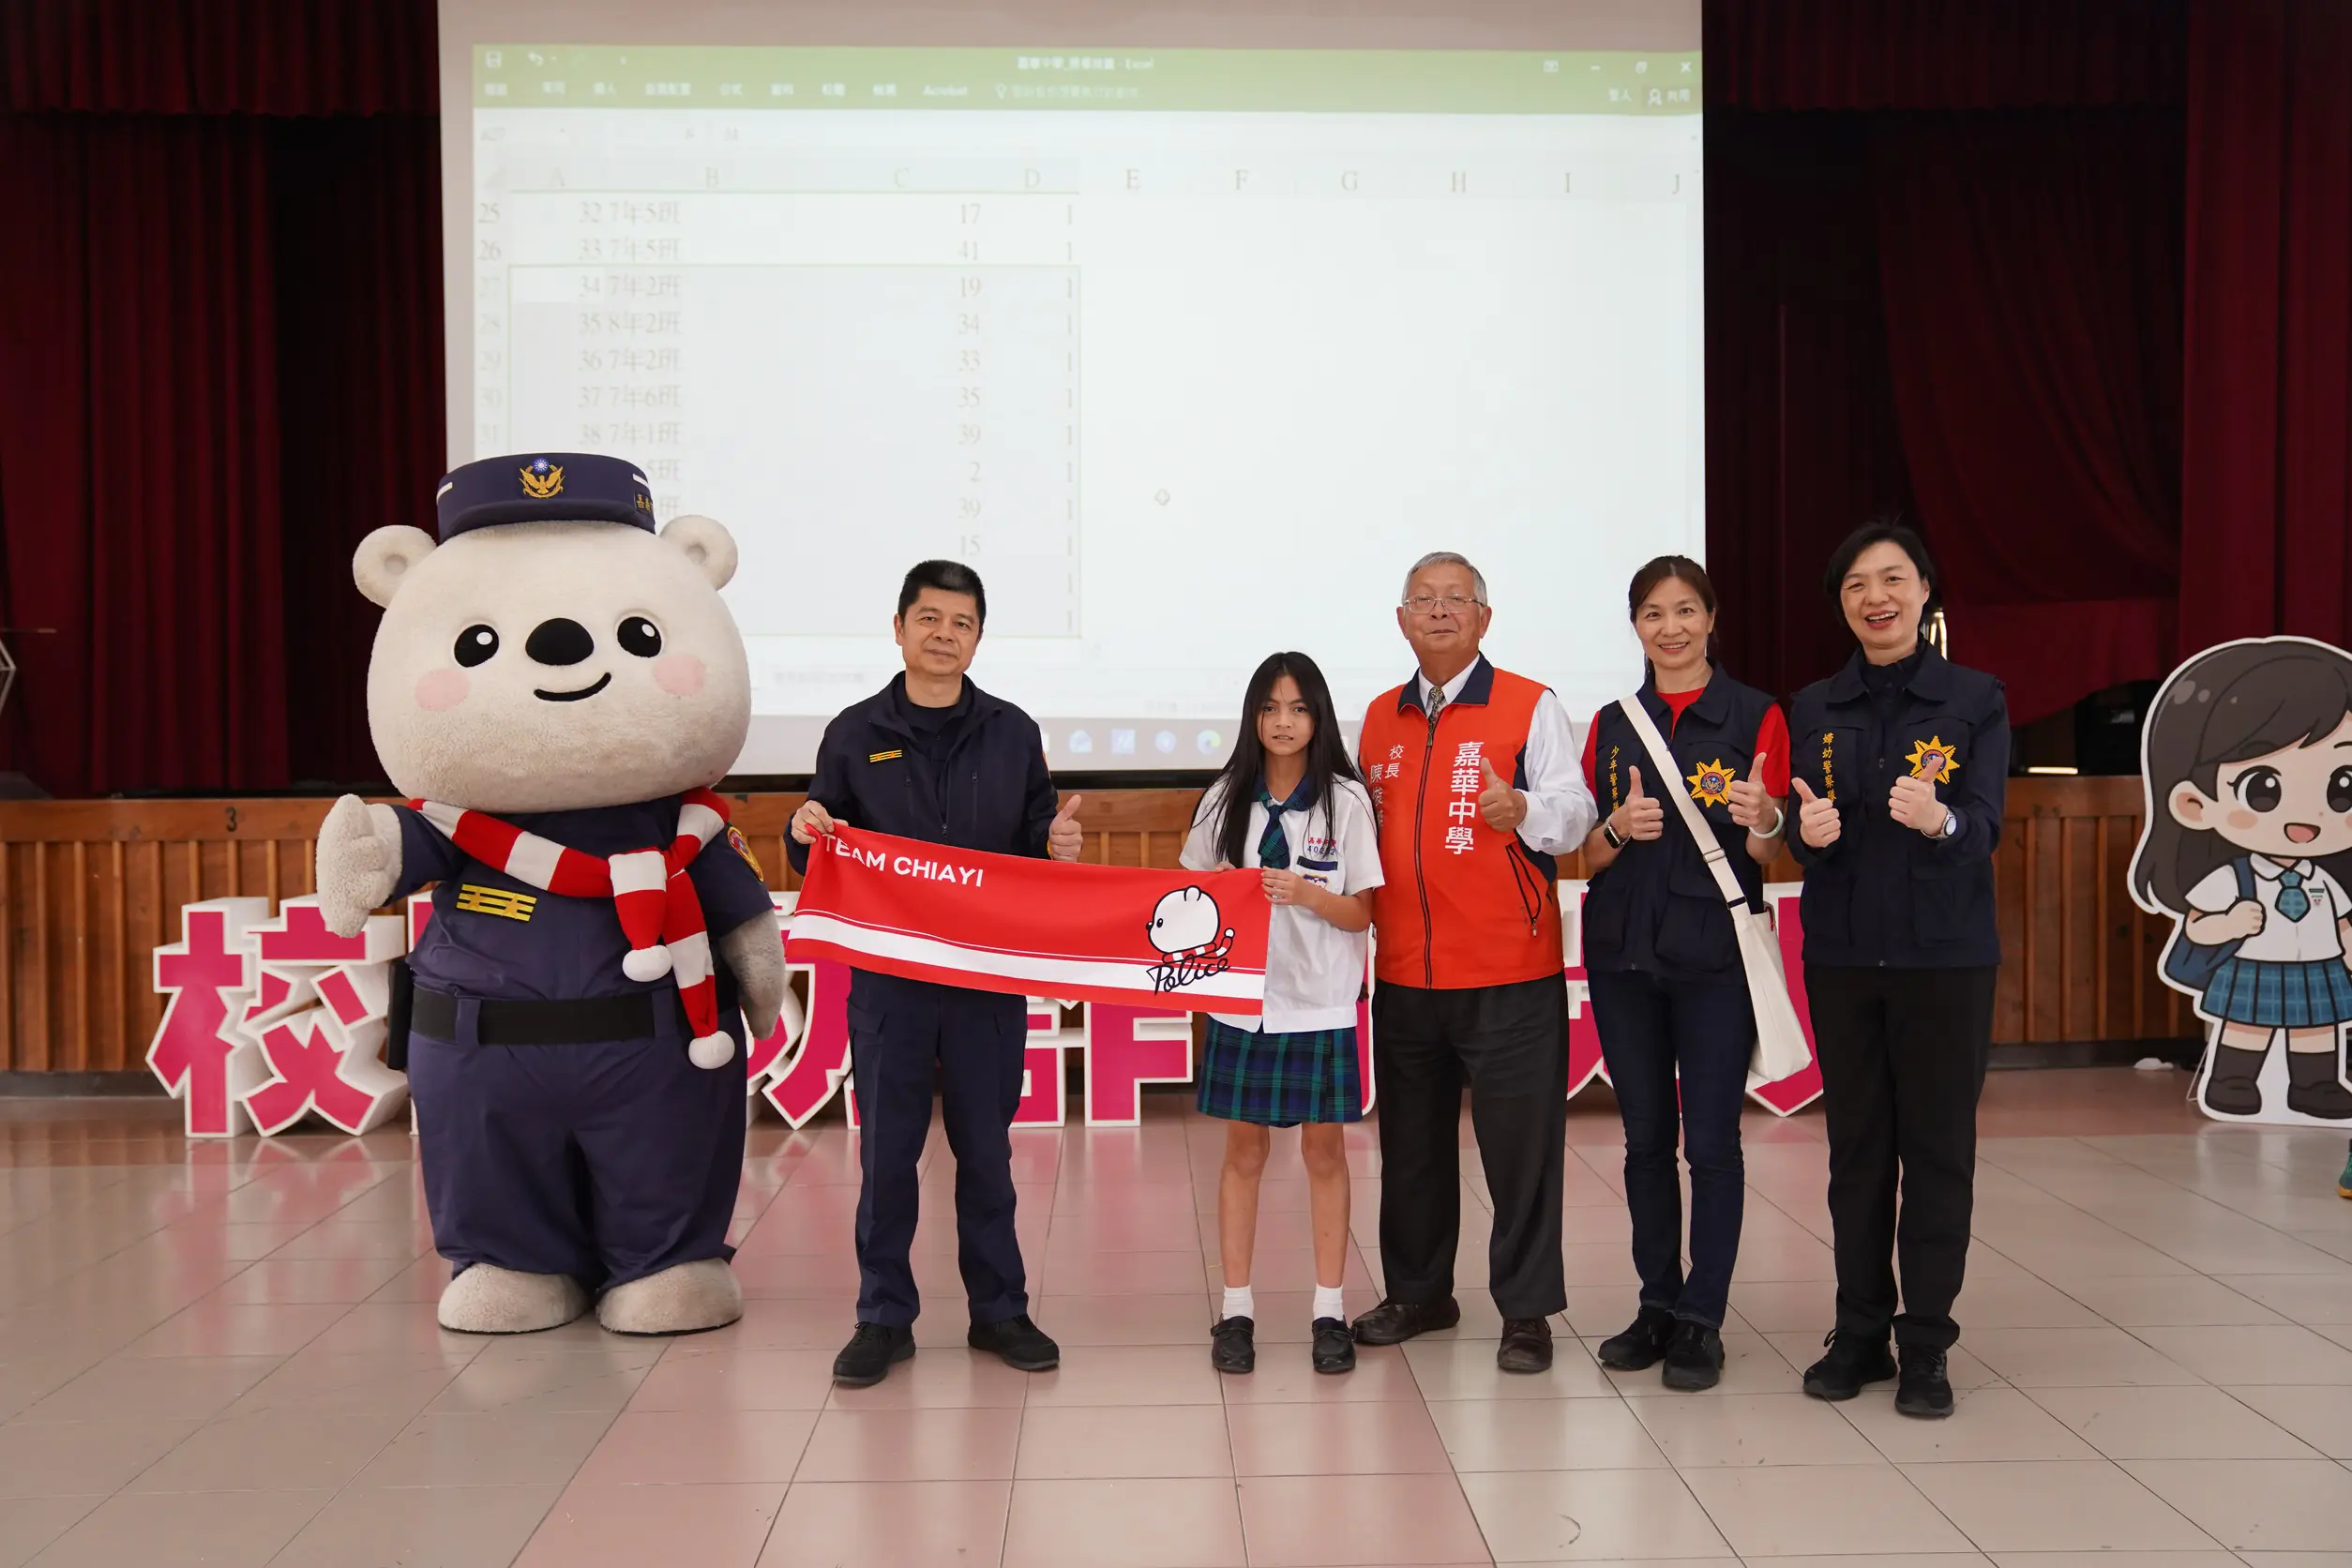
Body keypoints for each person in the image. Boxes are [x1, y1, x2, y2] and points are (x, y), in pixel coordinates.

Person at [788, 560, 1083, 1387]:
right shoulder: (853, 732)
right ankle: (883, 1318)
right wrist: (804, 826)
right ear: (899, 627)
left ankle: (1000, 1310)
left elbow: (1036, 839)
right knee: (887, 1157)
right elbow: (819, 834)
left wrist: (1055, 847)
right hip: (892, 984)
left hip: (987, 979)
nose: (944, 634)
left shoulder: (1012, 730)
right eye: (929, 618)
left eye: (961, 622)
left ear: (978, 637)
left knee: (987, 1152)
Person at [1351, 551, 1599, 1373]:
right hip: (1407, 974)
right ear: (1401, 619)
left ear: (1484, 618)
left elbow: (1574, 815)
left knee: (1519, 1151)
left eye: (1457, 599)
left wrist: (1521, 806)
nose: (1440, 611)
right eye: (1423, 599)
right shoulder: (1380, 718)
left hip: (1508, 970)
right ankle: (1421, 1292)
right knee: (1412, 1148)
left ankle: (1526, 1312)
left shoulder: (1531, 705)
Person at [1786, 521, 2008, 1420]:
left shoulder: (1974, 698)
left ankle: (1927, 1347)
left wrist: (1941, 822)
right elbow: (1806, 828)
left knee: (1939, 1153)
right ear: (1841, 605)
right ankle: (1859, 1332)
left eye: (1893, 580)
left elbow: (1984, 824)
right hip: (1843, 956)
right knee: (1858, 1156)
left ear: (1924, 592)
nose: (1875, 598)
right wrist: (1804, 838)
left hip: (1945, 960)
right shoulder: (1814, 705)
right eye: (1855, 587)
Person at [1577, 556, 1787, 1391]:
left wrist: (1765, 817)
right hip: (1624, 957)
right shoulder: (1610, 722)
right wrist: (1619, 828)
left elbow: (1773, 850)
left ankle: (1704, 1318)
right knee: (1641, 1144)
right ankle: (1656, 1304)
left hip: (1714, 962)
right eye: (1654, 614)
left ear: (1712, 618)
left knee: (1712, 1146)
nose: (1671, 628)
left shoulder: (1756, 715)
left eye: (1686, 611)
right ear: (1635, 627)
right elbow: (1582, 858)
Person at [1181, 653, 1383, 1378]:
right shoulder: (1224, 798)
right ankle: (1236, 1309)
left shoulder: (1346, 803)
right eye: (1270, 708)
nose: (1283, 722)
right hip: (1242, 1001)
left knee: (1325, 1155)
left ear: (1319, 717)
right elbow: (1191, 892)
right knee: (1243, 1155)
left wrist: (1304, 894)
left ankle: (1329, 1310)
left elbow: (1362, 911)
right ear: (1253, 718)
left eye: (1298, 708)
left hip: (1320, 1001)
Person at [2126, 639, 2352, 1120]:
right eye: (2264, 788)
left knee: (2317, 1027)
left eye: (2342, 785)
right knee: (2246, 1024)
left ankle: (2315, 1085)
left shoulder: (2322, 879)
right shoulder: (2233, 876)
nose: (2306, 816)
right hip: (2256, 964)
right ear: (2195, 803)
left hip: (2317, 964)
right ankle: (2232, 1079)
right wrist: (2227, 923)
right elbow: (2196, 924)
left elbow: (2343, 923)